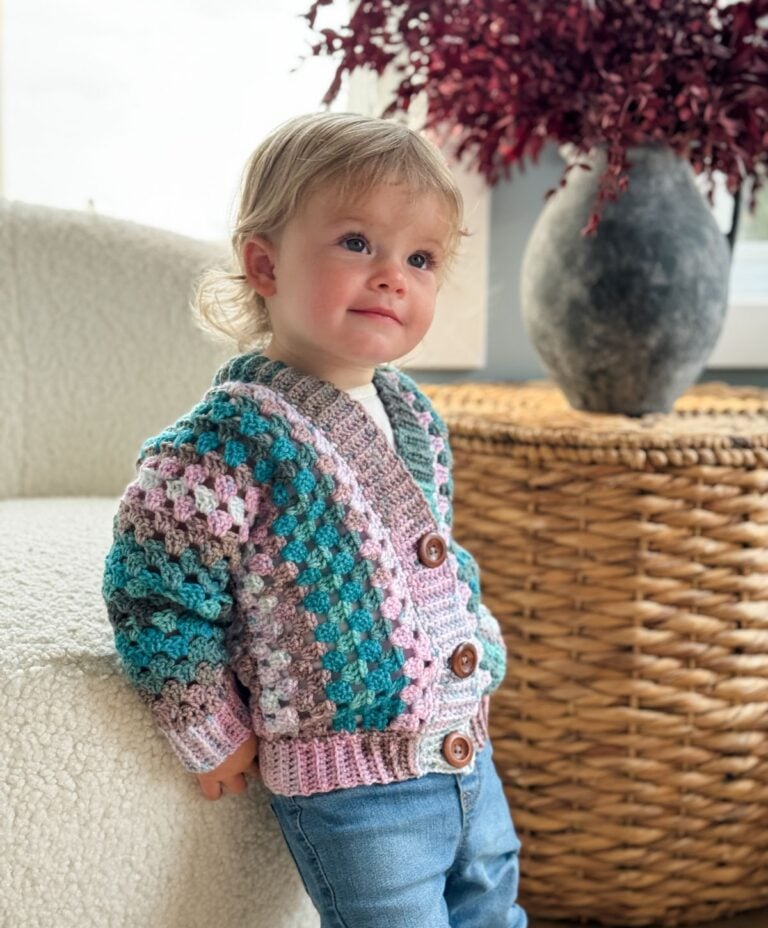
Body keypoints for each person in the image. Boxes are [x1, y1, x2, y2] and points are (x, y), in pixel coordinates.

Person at [102, 111, 527, 928]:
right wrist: (208, 726)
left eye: (421, 257)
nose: (392, 276)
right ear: (264, 263)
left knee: (496, 910)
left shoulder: (411, 414)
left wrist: (476, 641)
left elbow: (433, 560)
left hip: (465, 758)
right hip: (353, 792)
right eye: (358, 243)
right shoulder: (232, 435)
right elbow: (152, 590)